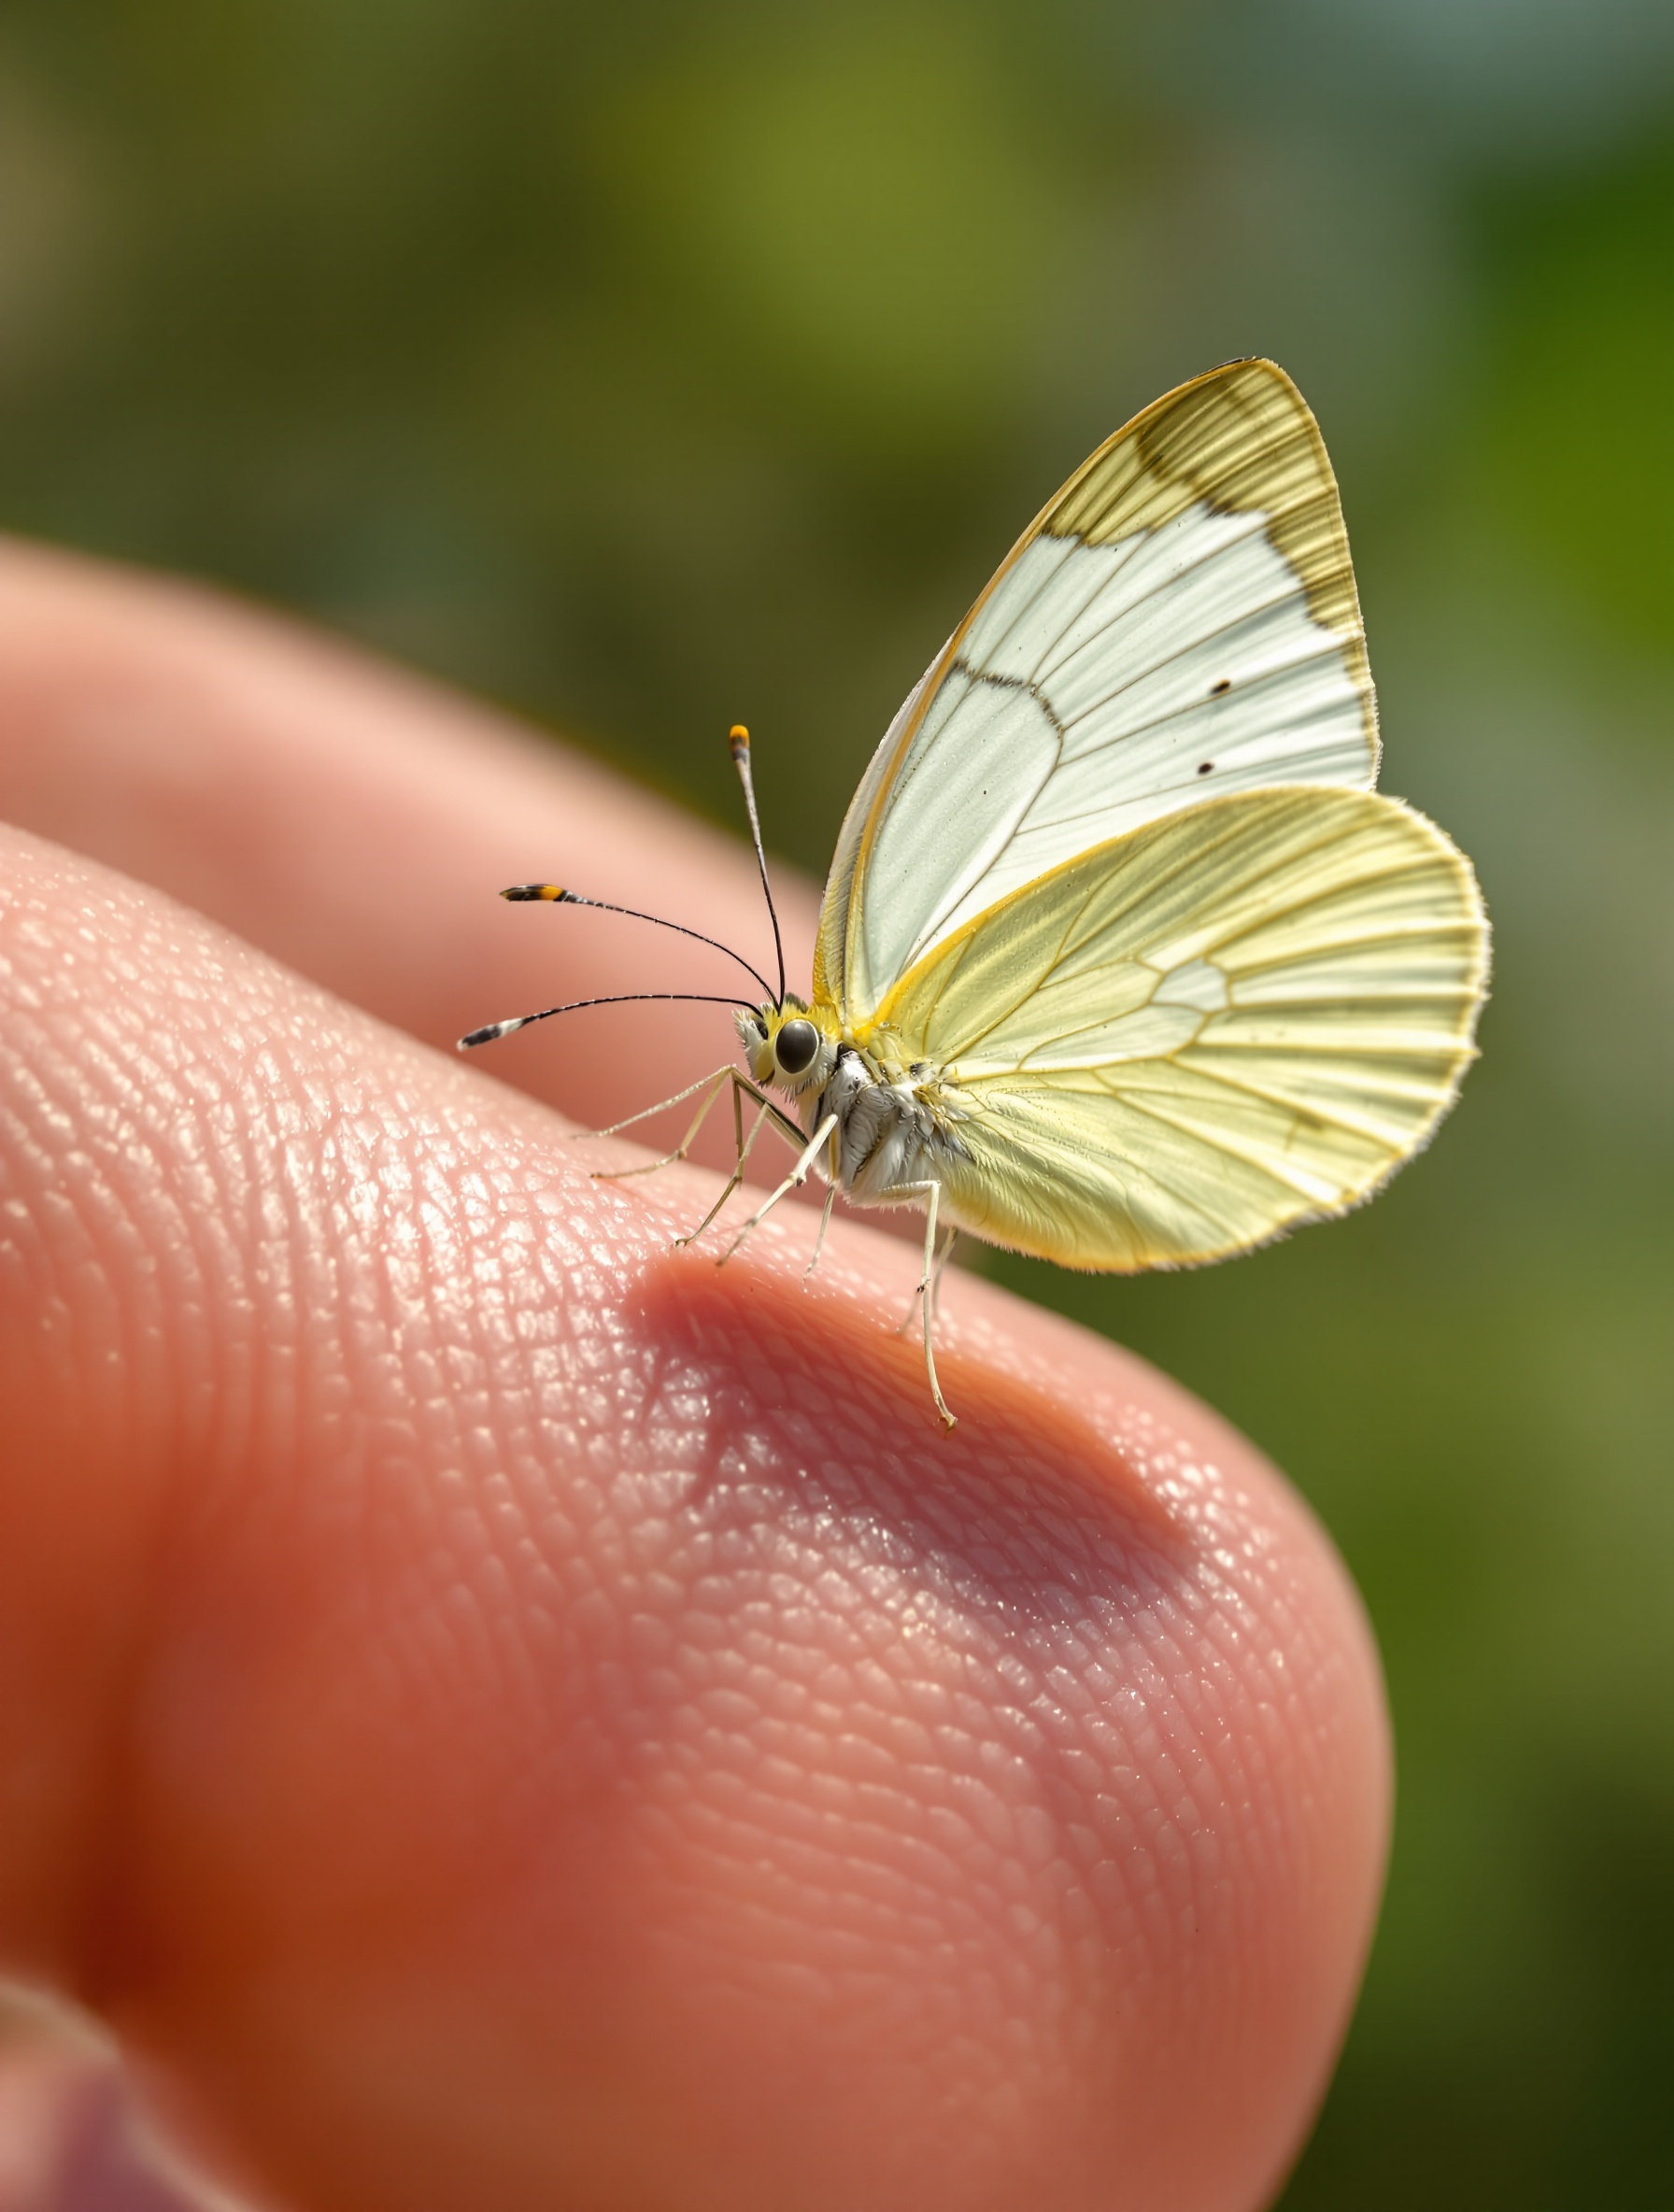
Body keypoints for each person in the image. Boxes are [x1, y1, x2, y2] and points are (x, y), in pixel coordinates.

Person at [0, 541, 1388, 2212]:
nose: (769, 1061)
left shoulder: (888, 1039)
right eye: (781, 1055)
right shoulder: (816, 1059)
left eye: (788, 1052)